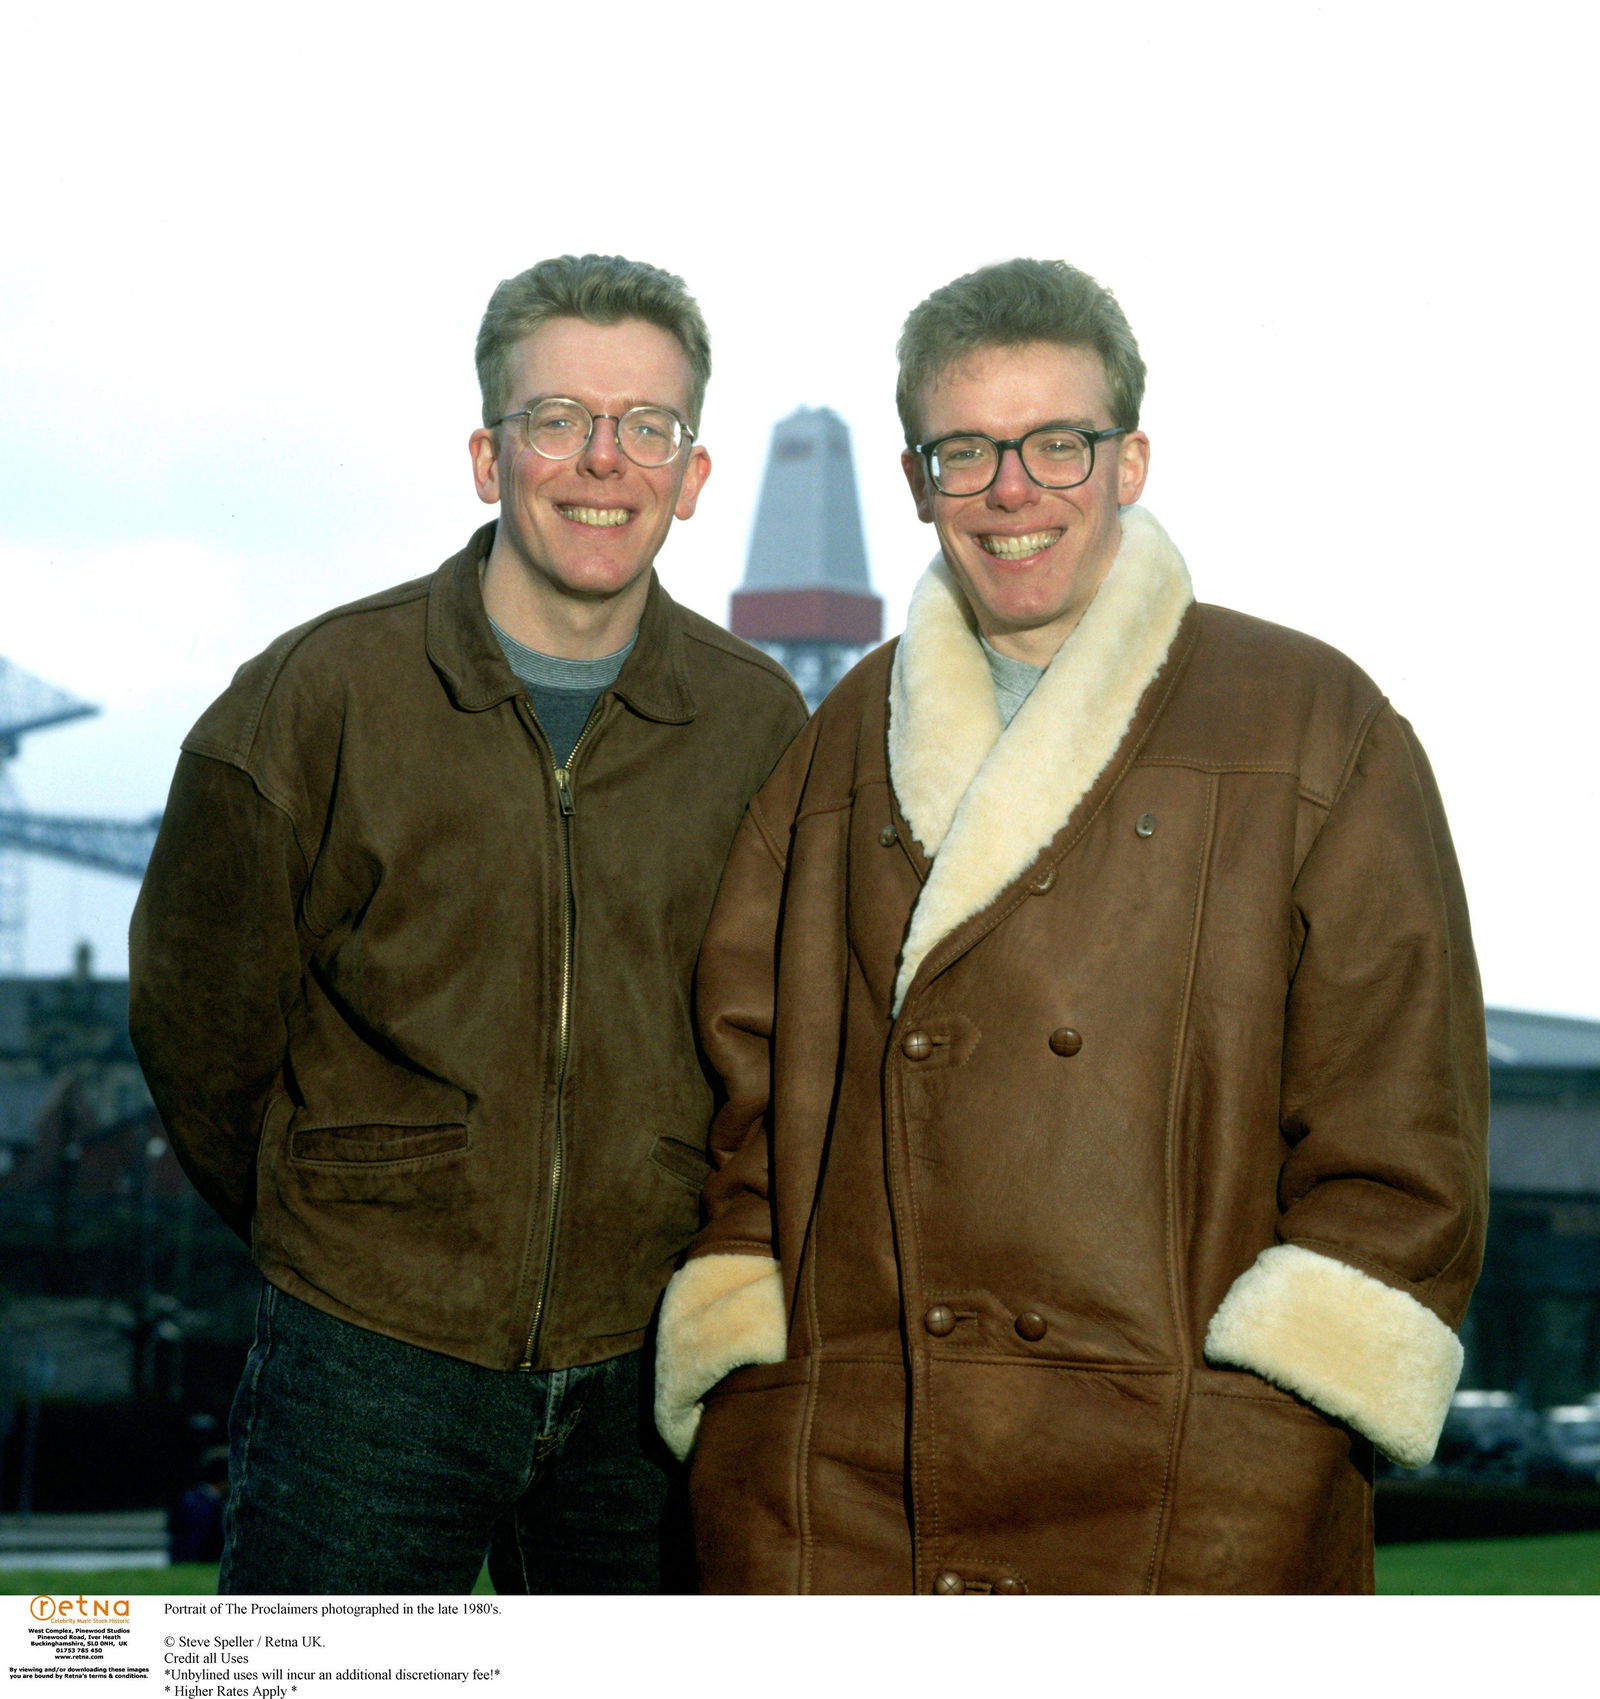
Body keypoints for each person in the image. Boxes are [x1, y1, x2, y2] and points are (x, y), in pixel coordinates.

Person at [654, 258, 1487, 1594]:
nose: (1011, 490)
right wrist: (750, 1371)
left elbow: (1402, 1140)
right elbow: (741, 1104)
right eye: (966, 451)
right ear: (919, 481)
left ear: (1130, 458)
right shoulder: (838, 746)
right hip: (854, 1484)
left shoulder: (1314, 723)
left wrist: (1276, 1417)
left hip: (1189, 1480)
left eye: (1057, 442)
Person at [129, 254, 807, 1594]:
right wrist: (355, 1212)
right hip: (367, 1368)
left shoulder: (759, 725)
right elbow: (198, 1030)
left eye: (646, 427)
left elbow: (782, 1035)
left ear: (693, 471)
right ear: (490, 456)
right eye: (557, 419)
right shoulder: (317, 698)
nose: (601, 462)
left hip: (651, 1374)